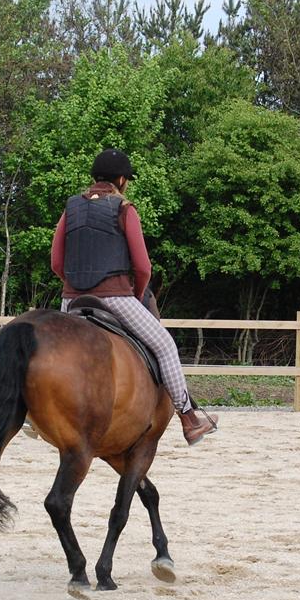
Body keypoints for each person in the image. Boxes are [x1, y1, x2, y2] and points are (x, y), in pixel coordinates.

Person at [50, 147, 218, 446]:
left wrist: (74, 287)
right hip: (115, 297)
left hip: (70, 300)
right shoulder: (124, 209)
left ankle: (35, 416)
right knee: (165, 345)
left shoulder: (70, 208)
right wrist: (136, 295)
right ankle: (190, 420)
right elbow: (143, 266)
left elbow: (56, 262)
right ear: (121, 180)